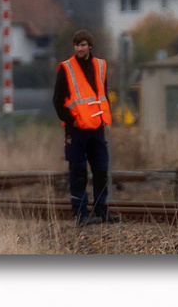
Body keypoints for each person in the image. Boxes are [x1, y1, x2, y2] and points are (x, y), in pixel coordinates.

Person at [54, 29, 120, 226]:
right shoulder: (66, 68)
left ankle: (102, 211)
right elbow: (58, 100)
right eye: (76, 45)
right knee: (78, 171)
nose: (79, 48)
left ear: (90, 46)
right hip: (77, 130)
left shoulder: (100, 66)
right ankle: (81, 215)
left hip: (97, 128)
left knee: (101, 170)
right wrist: (70, 120)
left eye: (82, 45)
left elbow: (102, 93)